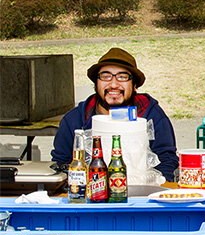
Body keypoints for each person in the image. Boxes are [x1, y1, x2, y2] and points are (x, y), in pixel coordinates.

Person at [51, 47, 179, 180]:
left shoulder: (151, 115)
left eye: (122, 77)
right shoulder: (75, 119)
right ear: (96, 83)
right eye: (105, 76)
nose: (113, 84)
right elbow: (62, 163)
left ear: (134, 85)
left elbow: (167, 160)